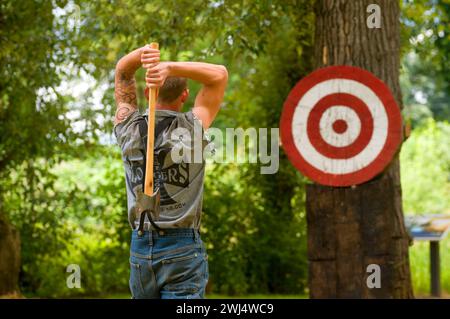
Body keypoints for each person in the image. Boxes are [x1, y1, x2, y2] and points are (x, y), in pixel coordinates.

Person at [113, 44, 228, 299]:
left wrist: (142, 54)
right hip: (182, 248)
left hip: (141, 247)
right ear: (185, 95)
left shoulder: (127, 127)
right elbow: (219, 74)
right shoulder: (193, 127)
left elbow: (122, 72)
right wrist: (171, 67)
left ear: (148, 91)